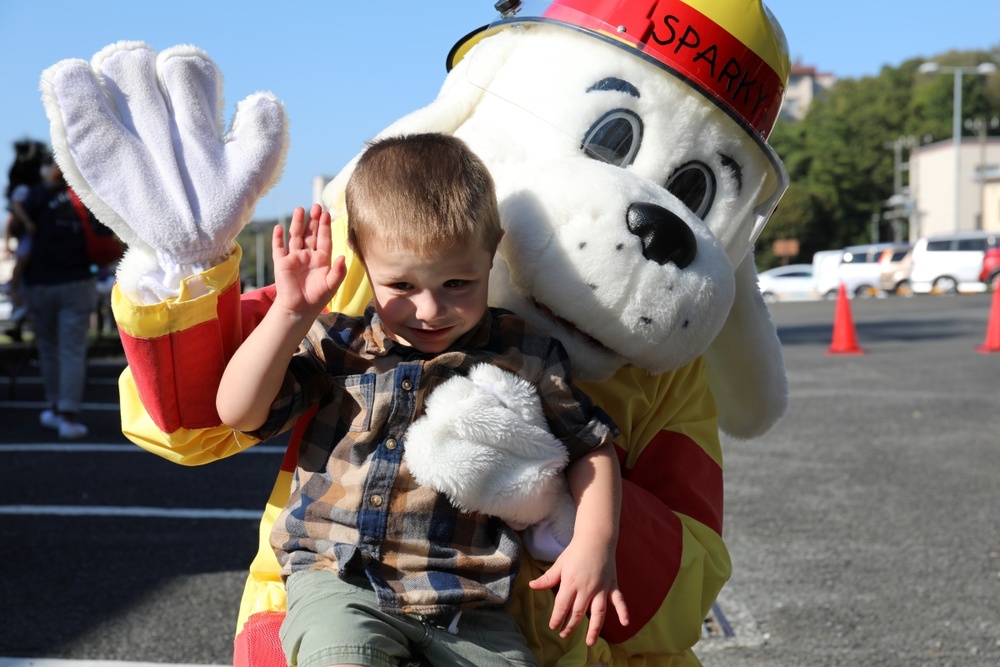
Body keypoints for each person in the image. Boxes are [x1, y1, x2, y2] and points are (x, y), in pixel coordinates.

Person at [216, 134, 628, 667]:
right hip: (342, 579)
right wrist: (290, 312)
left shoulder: (523, 352)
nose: (431, 309)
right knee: (344, 658)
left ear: (493, 249)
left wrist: (597, 544)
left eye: (458, 282)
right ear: (362, 258)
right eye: (402, 285)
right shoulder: (340, 345)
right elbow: (238, 411)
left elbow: (591, 447)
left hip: (469, 602)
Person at [19, 155, 97, 439]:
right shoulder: (84, 194)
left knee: (49, 350)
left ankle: (54, 407)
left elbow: (22, 238)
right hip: (76, 280)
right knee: (71, 351)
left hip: (39, 282)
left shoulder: (35, 197)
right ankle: (68, 415)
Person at [3, 140, 47, 342]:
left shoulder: (25, 188)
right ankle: (14, 294)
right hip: (29, 237)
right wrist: (28, 223)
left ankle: (17, 321)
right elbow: (15, 210)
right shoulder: (26, 190)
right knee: (23, 260)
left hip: (28, 239)